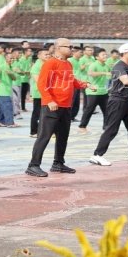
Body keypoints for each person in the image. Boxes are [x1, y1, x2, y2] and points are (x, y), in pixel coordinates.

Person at [25, 38, 89, 177]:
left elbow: (71, 80)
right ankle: (33, 165)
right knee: (44, 136)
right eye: (69, 46)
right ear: (59, 47)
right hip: (52, 106)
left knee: (63, 136)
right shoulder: (50, 63)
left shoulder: (68, 64)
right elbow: (42, 84)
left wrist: (85, 85)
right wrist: (49, 100)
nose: (72, 49)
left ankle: (58, 163)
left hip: (66, 106)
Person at [89, 43, 128, 167]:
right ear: (125, 52)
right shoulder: (119, 66)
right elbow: (125, 81)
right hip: (117, 101)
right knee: (112, 129)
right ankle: (97, 155)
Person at [77, 48, 110, 133]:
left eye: (105, 54)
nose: (105, 56)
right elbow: (90, 73)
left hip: (103, 91)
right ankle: (82, 126)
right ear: (97, 57)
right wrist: (103, 73)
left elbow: (110, 74)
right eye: (103, 55)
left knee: (107, 110)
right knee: (89, 110)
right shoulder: (94, 64)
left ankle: (106, 127)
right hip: (93, 91)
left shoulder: (106, 65)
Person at [28, 49, 50, 137]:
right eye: (46, 54)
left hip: (46, 92)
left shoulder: (47, 64)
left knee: (45, 114)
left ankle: (43, 131)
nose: (48, 56)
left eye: (49, 54)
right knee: (37, 113)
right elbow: (38, 81)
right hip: (39, 93)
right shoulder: (37, 66)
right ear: (39, 56)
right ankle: (34, 131)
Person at [0, 53, 19, 127]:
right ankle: (10, 122)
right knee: (8, 107)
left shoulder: (11, 67)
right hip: (2, 90)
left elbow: (14, 78)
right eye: (10, 58)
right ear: (6, 58)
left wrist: (10, 73)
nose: (12, 60)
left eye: (12, 58)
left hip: (7, 90)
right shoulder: (2, 66)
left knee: (1, 107)